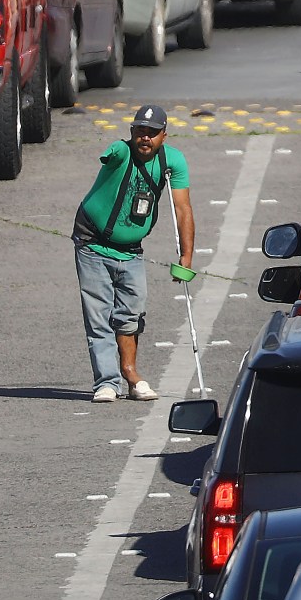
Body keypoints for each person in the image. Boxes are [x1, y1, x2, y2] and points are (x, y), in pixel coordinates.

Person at [72, 103, 196, 403]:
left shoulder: (173, 162)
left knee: (131, 313)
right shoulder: (121, 151)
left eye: (152, 133)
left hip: (130, 250)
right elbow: (112, 152)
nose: (145, 138)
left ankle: (130, 372)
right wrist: (113, 152)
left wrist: (186, 257)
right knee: (98, 315)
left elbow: (183, 208)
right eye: (140, 131)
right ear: (132, 133)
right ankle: (106, 382)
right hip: (93, 242)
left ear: (163, 136)